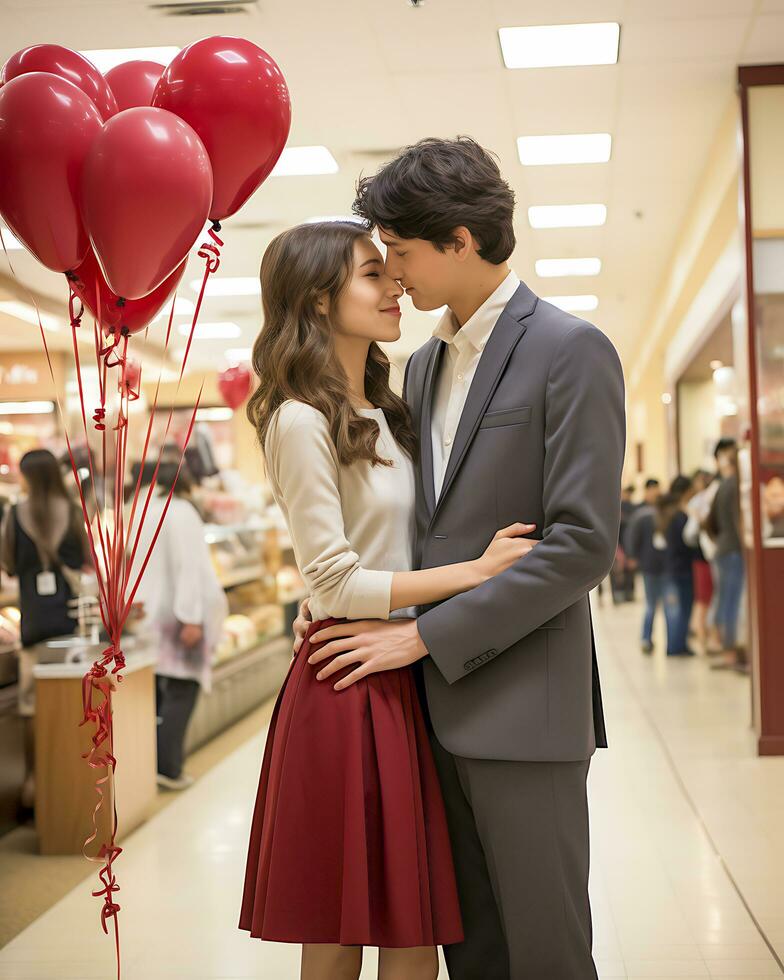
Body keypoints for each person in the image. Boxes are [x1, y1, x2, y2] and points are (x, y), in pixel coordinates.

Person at [292, 136, 625, 979]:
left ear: (460, 241)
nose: (393, 275)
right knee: (472, 952)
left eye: (400, 253)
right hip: (425, 718)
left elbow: (582, 546)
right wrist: (342, 591)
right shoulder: (420, 365)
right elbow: (415, 522)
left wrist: (425, 637)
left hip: (523, 710)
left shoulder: (570, 349)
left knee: (546, 950)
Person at [238, 218, 544, 980]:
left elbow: (399, 545)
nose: (395, 285)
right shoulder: (297, 420)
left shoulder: (394, 405)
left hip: (414, 671)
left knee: (418, 928)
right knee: (343, 927)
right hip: (348, 684)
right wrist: (474, 573)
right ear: (316, 300)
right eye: (373, 274)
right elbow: (334, 579)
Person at [0, 449, 90, 811]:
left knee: (32, 706)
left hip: (33, 624)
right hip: (70, 623)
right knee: (72, 703)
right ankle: (73, 784)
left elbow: (7, 564)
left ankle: (37, 783)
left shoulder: (14, 514)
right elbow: (85, 559)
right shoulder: (71, 512)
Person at [133, 462, 228, 790]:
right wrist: (191, 616)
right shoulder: (180, 510)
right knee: (181, 691)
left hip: (147, 616)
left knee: (156, 695)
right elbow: (190, 566)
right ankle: (168, 767)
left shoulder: (138, 509)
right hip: (178, 616)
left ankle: (148, 765)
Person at [706, 444, 746, 671]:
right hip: (732, 550)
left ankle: (721, 646)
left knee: (723, 599)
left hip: (721, 548)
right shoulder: (733, 486)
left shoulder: (720, 486)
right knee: (731, 602)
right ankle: (730, 651)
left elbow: (711, 521)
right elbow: (737, 519)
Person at [625, 478, 669, 653]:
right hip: (650, 565)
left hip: (665, 565)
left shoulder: (663, 511)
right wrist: (632, 556)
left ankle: (669, 642)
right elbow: (632, 536)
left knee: (666, 605)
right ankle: (646, 639)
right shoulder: (641, 512)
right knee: (651, 604)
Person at [658, 476, 699, 656]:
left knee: (673, 609)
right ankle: (677, 646)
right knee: (681, 608)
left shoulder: (665, 513)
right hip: (681, 569)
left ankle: (675, 645)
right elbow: (685, 544)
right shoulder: (680, 515)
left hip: (668, 568)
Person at [683, 469, 716, 650]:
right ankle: (702, 635)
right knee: (704, 597)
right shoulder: (699, 501)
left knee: (704, 597)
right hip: (702, 556)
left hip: (701, 556)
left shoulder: (696, 501)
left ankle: (703, 635)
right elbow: (690, 533)